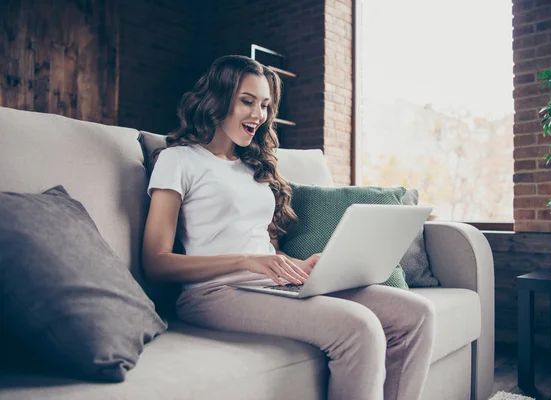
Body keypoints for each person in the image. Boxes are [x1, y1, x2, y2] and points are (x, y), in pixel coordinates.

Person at [142, 55, 436, 400]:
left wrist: (300, 266)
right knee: (361, 328)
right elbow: (156, 262)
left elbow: (263, 249)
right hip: (211, 293)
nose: (258, 115)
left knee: (416, 314)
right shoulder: (179, 160)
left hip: (270, 283)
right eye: (247, 101)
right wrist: (244, 261)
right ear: (217, 99)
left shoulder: (253, 167)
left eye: (265, 105)